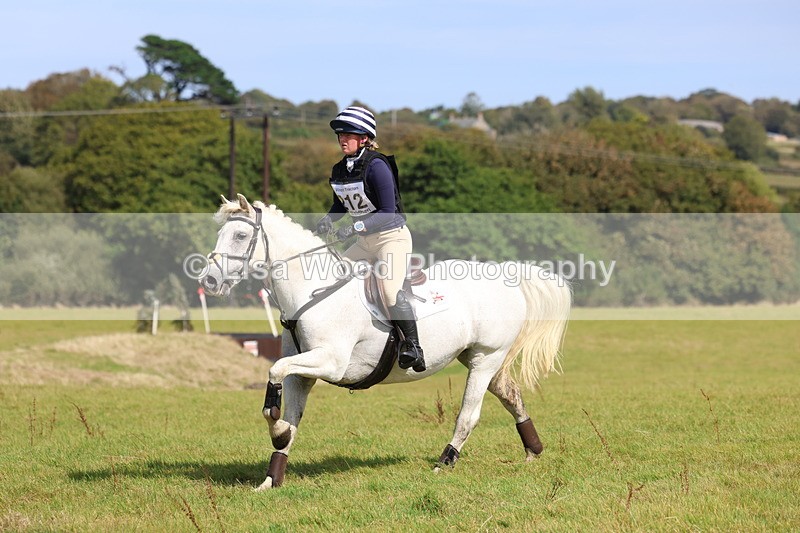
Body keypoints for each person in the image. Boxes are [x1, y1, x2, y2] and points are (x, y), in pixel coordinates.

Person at [315, 106, 425, 373]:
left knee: (389, 291)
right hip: (364, 242)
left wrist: (355, 227)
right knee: (333, 276)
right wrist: (328, 219)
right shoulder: (340, 169)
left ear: (364, 138)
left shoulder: (377, 166)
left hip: (391, 238)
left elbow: (388, 211)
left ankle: (413, 346)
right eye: (340, 135)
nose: (342, 139)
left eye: (348, 134)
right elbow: (341, 205)